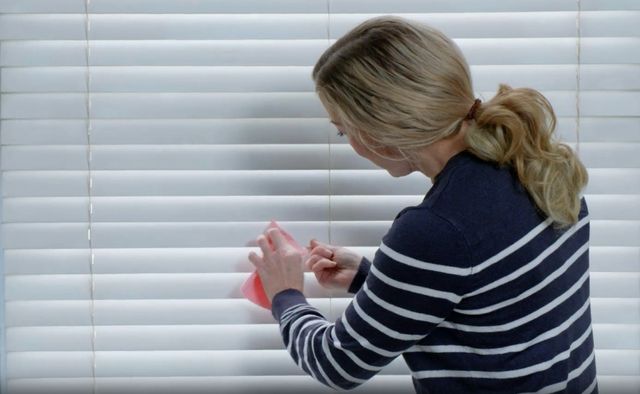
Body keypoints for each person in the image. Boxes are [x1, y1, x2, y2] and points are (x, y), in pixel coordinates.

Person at [248, 15, 597, 393]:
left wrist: (286, 293)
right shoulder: (537, 163)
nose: (348, 142)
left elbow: (337, 365)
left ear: (380, 130)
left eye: (343, 129)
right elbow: (499, 306)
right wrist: (372, 278)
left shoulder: (437, 229)